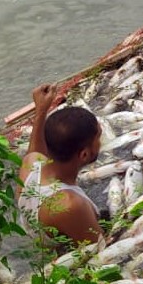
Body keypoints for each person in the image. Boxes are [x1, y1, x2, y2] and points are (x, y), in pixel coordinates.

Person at [16, 82, 104, 247]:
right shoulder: (70, 205)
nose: (101, 142)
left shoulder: (30, 164)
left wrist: (41, 109)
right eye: (99, 137)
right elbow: (100, 249)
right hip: (61, 247)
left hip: (37, 229)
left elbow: (36, 148)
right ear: (84, 154)